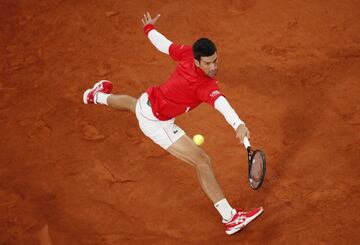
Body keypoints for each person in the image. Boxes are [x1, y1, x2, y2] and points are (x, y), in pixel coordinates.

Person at [83, 12, 263, 235]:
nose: (213, 67)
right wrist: (238, 124)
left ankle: (95, 96)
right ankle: (230, 218)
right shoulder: (204, 86)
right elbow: (221, 103)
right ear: (197, 60)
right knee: (202, 161)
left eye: (215, 60)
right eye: (208, 63)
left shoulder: (189, 53)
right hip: (157, 123)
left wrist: (149, 29)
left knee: (134, 105)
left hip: (148, 102)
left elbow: (165, 45)